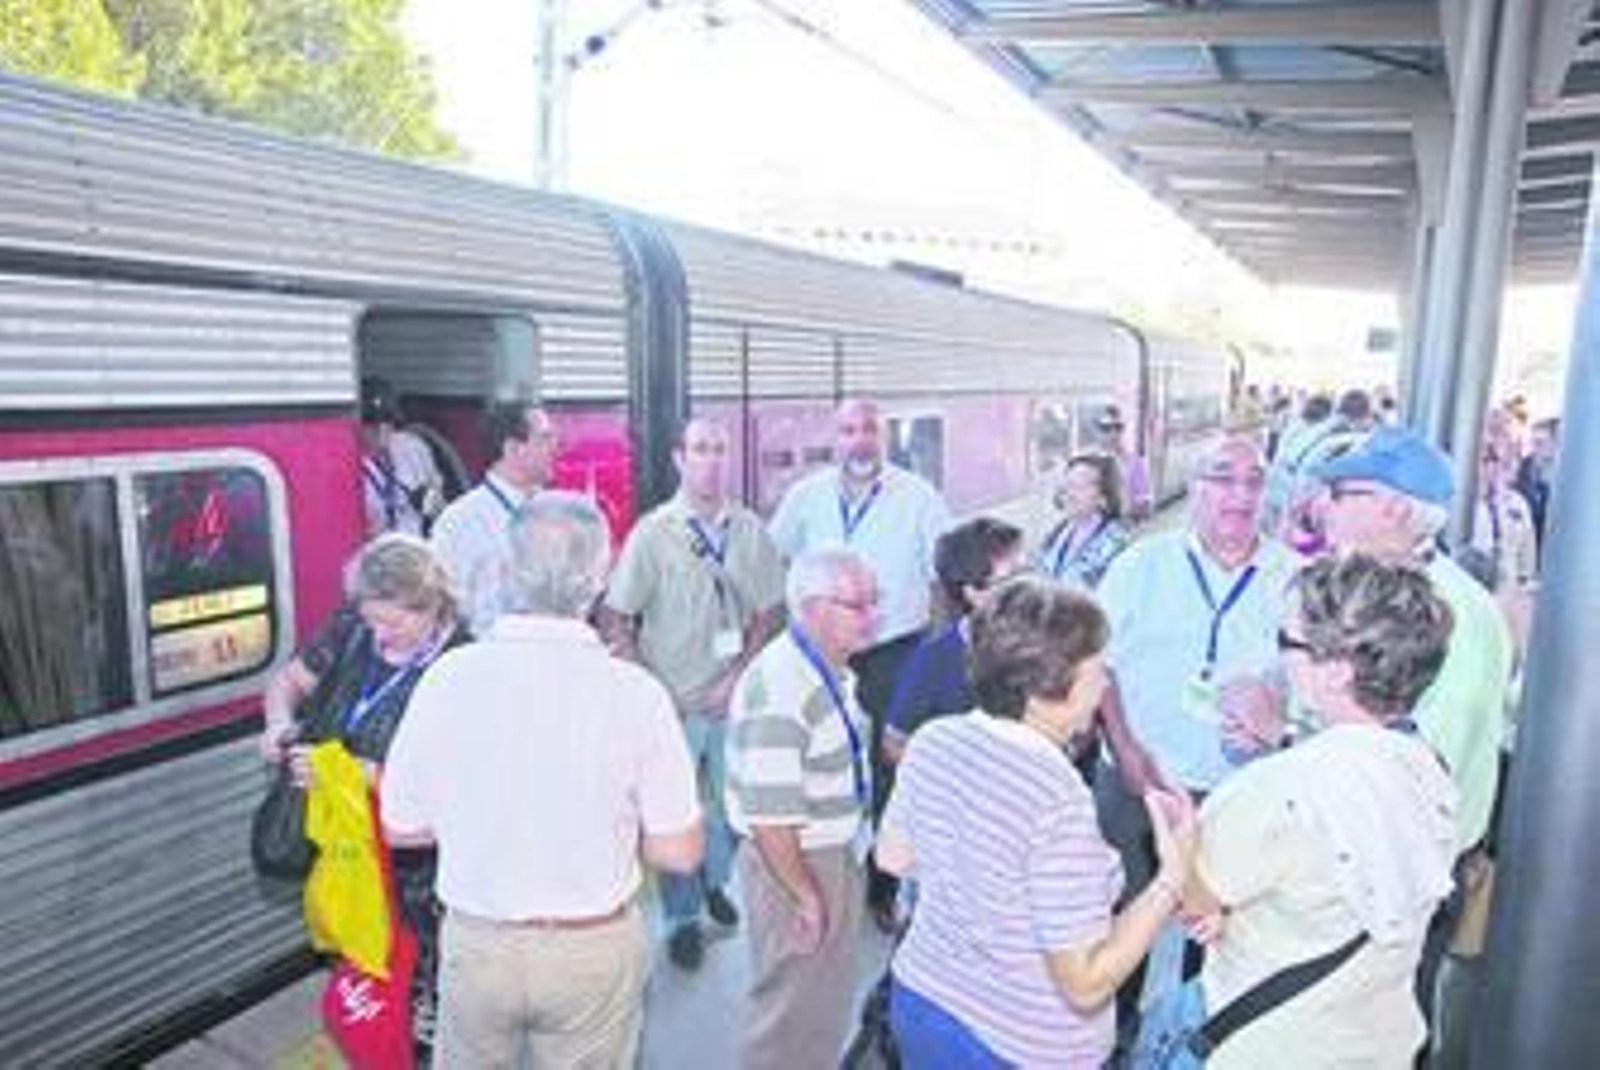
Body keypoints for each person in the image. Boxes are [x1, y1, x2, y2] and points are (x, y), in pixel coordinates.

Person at [380, 492, 703, 1069]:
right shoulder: (637, 693)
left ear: (504, 570)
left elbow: (402, 827)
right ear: (601, 577)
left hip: (477, 947)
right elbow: (678, 853)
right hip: (591, 951)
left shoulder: (448, 679)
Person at [1152, 555, 1457, 1069]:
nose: (1280, 655)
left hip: (1270, 1050)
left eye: (1286, 641)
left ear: (1335, 673)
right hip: (1374, 1044)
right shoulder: (1426, 768)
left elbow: (1192, 898)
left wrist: (1178, 838)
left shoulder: (1275, 791)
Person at [876, 578, 1197, 1068]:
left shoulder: (935, 738)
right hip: (1016, 1045)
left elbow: (894, 856)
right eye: (1096, 669)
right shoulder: (1057, 796)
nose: (1106, 683)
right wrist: (1172, 876)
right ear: (1049, 685)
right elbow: (1086, 983)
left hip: (924, 1001)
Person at [1092, 435, 1294, 1046]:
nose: (1238, 494)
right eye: (1221, 477)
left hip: (1233, 791)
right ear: (1195, 485)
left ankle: (1190, 1040)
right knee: (1114, 915)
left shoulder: (1294, 577)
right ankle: (1108, 1036)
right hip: (1136, 782)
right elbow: (1097, 668)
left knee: (1215, 930)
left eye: (1253, 481)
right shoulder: (1139, 565)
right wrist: (1127, 752)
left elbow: (1303, 686)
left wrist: (1275, 723)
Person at [259, 533, 467, 1056]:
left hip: (418, 876)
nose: (379, 634)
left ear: (431, 604)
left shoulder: (464, 664)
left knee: (419, 996)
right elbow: (288, 683)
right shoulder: (352, 627)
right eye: (371, 619)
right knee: (360, 975)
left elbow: (462, 784)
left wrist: (364, 774)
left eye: (393, 623)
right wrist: (278, 725)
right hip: (348, 854)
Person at [598, 417, 786, 972]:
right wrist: (653, 692)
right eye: (700, 449)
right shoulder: (653, 533)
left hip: (732, 701)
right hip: (673, 705)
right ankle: (681, 917)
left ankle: (713, 879)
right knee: (674, 814)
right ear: (680, 459)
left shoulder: (749, 529)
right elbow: (617, 617)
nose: (712, 459)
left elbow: (769, 611)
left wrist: (737, 677)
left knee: (731, 811)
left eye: (719, 448)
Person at [768, 399, 950, 925]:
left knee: (892, 770)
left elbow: (940, 579)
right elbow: (776, 554)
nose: (860, 440)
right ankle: (821, 874)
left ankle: (882, 887)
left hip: (895, 652)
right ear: (836, 438)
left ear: (883, 437)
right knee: (828, 765)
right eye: (849, 430)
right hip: (823, 656)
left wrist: (933, 657)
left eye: (870, 429)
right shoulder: (806, 497)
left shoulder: (919, 498)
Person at [724, 548, 879, 1070]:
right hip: (798, 865)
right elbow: (770, 819)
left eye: (873, 601)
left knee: (821, 1003)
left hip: (826, 854)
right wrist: (807, 896)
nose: (872, 615)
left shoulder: (827, 670)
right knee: (788, 1013)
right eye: (856, 604)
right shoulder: (782, 687)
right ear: (811, 609)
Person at [881, 516, 1026, 765]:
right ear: (973, 593)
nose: (1029, 586)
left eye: (1027, 571)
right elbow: (894, 743)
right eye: (1012, 579)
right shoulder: (933, 661)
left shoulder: (1049, 635)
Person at [430, 402, 558, 636]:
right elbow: (442, 606)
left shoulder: (556, 511)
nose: (555, 448)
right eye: (544, 439)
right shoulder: (460, 521)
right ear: (512, 448)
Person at [359, 378, 446, 538]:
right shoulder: (345, 463)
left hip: (414, 553)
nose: (381, 430)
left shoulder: (414, 447)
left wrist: (430, 499)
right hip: (374, 556)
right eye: (371, 423)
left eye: (387, 420)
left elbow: (439, 504)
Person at [1037, 452, 1132, 591]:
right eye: (1067, 484)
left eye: (1079, 486)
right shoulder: (1057, 533)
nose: (1068, 493)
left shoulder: (1117, 543)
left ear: (1103, 496)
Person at [1092, 405, 1153, 524]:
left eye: (1117, 428)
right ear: (1098, 432)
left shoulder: (1135, 463)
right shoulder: (1088, 462)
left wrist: (1130, 508)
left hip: (1123, 530)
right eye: (1106, 429)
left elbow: (1146, 506)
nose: (1112, 434)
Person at [1513, 416, 1559, 544]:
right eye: (1532, 442)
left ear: (1557, 445)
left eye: (1540, 443)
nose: (1534, 449)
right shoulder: (1522, 469)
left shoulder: (1567, 479)